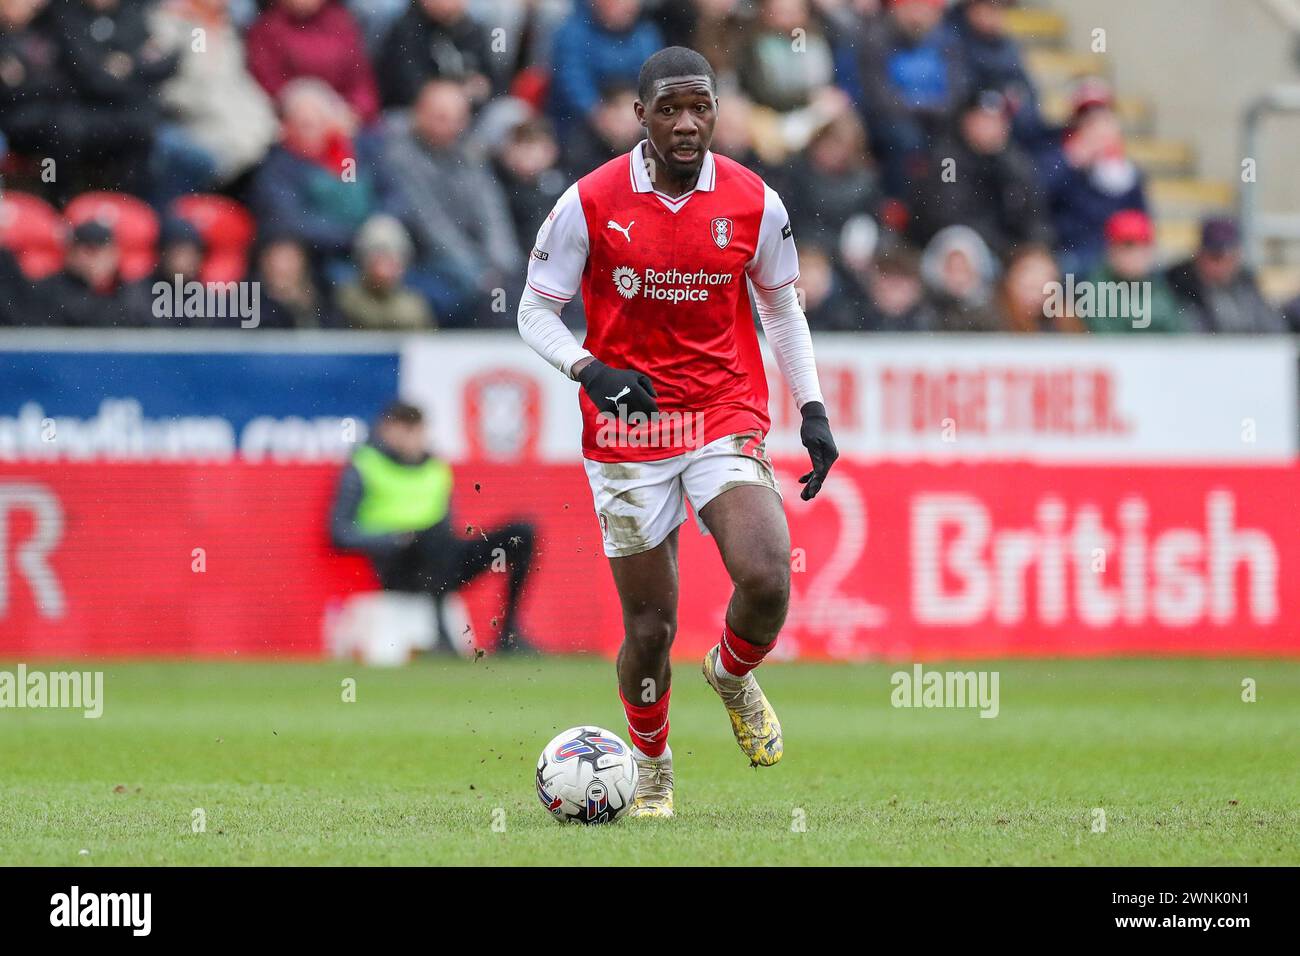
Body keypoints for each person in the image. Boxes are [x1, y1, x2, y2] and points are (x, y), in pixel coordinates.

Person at [516, 46, 838, 817]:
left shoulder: (754, 201)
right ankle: (653, 764)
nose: (687, 123)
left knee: (765, 575)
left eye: (701, 107)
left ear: (717, 111)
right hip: (628, 430)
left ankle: (730, 673)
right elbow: (534, 311)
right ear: (641, 116)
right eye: (670, 108)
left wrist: (813, 409)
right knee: (650, 629)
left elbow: (781, 309)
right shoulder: (589, 202)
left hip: (722, 412)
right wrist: (591, 371)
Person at [330, 401, 536, 653]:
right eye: (405, 431)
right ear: (386, 430)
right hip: (399, 566)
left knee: (521, 532)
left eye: (417, 431)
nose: (413, 439)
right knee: (428, 537)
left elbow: (449, 525)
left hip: (442, 560)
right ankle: (440, 635)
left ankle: (509, 634)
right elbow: (340, 534)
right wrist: (396, 539)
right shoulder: (364, 464)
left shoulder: (436, 468)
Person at [1166, 217, 1285, 334]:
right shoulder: (1179, 285)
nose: (1224, 265)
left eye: (1231, 257)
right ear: (1200, 255)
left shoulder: (1246, 284)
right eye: (1216, 256)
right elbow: (1189, 331)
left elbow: (1273, 327)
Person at [1081, 210, 1186, 334]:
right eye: (1128, 246)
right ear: (1111, 249)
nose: (1137, 255)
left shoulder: (1158, 286)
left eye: (1144, 245)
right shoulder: (1095, 289)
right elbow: (1109, 343)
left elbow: (1179, 335)